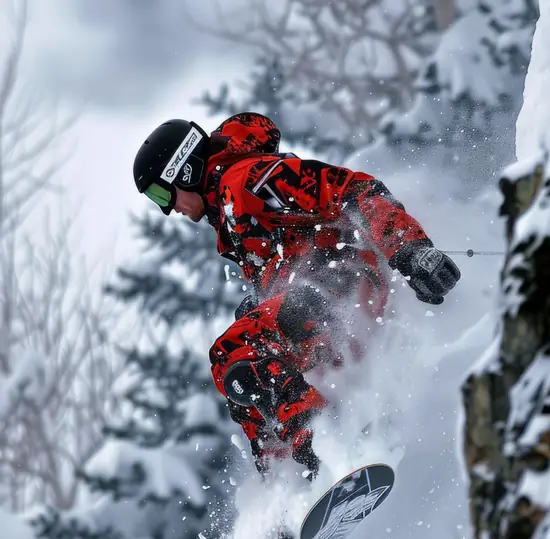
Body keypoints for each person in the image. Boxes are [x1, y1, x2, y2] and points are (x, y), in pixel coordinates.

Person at [133, 113, 461, 483]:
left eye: (162, 193)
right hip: (318, 307)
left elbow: (352, 191)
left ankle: (327, 446)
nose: (166, 209)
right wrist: (259, 306)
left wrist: (409, 249)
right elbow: (286, 257)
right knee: (238, 377)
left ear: (184, 170)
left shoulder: (247, 181)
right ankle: (288, 488)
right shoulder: (228, 210)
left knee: (236, 350)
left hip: (340, 283)